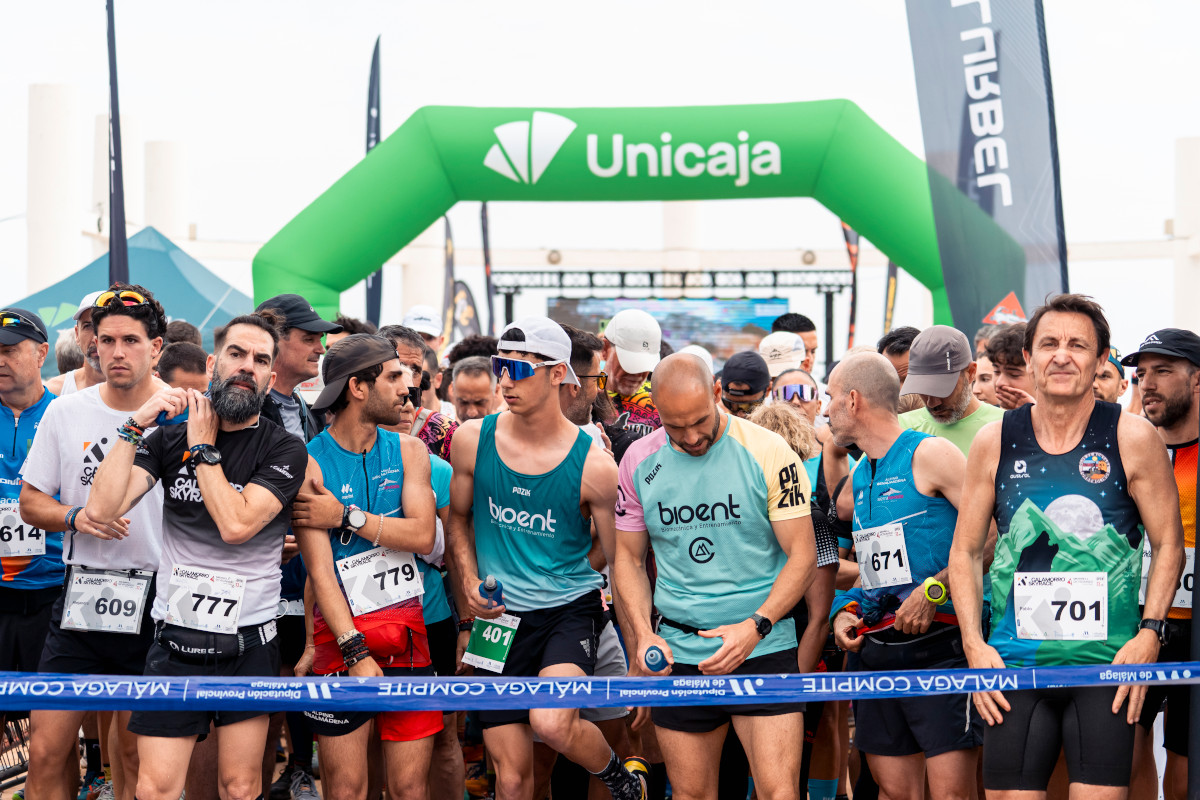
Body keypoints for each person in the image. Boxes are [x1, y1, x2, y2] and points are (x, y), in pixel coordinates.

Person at [948, 294, 1185, 798]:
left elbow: (1168, 544)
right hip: (1012, 665)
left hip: (1106, 669)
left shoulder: (1132, 436)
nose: (1062, 355)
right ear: (1028, 358)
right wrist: (973, 644)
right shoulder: (994, 441)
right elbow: (966, 551)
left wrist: (1150, 634)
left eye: (1078, 345)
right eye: (1049, 343)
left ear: (1102, 361)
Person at [86, 308, 309, 800]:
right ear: (214, 363)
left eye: (260, 359)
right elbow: (101, 511)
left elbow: (237, 525)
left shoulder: (285, 449)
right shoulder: (167, 437)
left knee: (240, 786)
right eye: (236, 354)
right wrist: (134, 425)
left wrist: (204, 449)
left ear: (272, 377)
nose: (247, 365)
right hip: (174, 644)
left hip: (248, 645)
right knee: (155, 788)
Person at [446, 316, 648, 800]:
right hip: (498, 620)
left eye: (520, 369)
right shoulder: (472, 439)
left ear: (559, 374)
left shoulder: (596, 465)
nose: (505, 381)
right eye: (501, 367)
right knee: (513, 780)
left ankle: (618, 777)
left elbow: (622, 561)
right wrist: (471, 587)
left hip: (567, 612)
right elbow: (456, 522)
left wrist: (639, 641)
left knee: (554, 725)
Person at [612, 353, 817, 800]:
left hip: (762, 645)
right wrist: (643, 636)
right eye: (674, 426)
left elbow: (802, 556)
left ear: (717, 393)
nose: (690, 437)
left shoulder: (767, 449)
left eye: (700, 421)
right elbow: (626, 560)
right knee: (691, 795)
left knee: (779, 793)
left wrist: (756, 626)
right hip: (680, 652)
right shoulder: (639, 460)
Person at [20, 284, 168, 800]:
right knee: (45, 749)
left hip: (156, 600)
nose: (116, 352)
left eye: (130, 340)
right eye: (106, 340)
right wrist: (77, 517)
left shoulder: (184, 413)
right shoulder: (66, 410)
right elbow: (31, 503)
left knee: (132, 755)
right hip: (81, 594)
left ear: (157, 347)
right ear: (92, 344)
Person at [290, 334, 442, 800]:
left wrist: (346, 517)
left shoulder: (410, 450)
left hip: (408, 635)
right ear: (358, 387)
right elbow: (321, 573)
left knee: (409, 789)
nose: (408, 387)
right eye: (395, 376)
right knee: (347, 789)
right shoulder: (309, 460)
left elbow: (422, 535)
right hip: (341, 639)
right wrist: (353, 652)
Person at [825, 352, 980, 800]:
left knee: (951, 794)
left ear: (853, 401)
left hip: (940, 645)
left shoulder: (931, 453)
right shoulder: (860, 473)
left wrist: (934, 590)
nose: (825, 409)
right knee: (895, 791)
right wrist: (844, 612)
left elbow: (989, 536)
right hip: (878, 649)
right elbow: (874, 570)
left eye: (831, 398)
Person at [1121, 329, 1200, 800]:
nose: (1147, 383)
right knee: (1123, 759)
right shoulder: (1127, 448)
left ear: (1197, 380)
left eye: (1163, 371)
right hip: (1137, 627)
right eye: (1142, 373)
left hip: (1194, 631)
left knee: (1188, 772)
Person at [0, 309, 61, 726]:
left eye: (8, 351)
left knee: (49, 733)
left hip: (54, 589)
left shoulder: (67, 415)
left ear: (41, 353)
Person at [899, 326, 1004, 454]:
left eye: (942, 389)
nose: (932, 403)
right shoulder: (900, 429)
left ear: (971, 373)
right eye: (923, 390)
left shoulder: (1004, 427)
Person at [256, 293, 343, 440]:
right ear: (272, 341)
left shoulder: (307, 411)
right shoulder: (244, 412)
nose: (321, 350)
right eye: (309, 339)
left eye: (320, 339)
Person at [378, 325, 458, 463]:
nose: (407, 375)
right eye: (399, 366)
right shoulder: (359, 426)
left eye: (415, 370)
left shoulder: (445, 431)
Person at [602, 308, 663, 436]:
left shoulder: (661, 402)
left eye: (645, 363)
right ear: (605, 348)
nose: (638, 373)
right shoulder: (581, 397)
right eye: (630, 362)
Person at [46, 290, 105, 396]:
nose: (95, 338)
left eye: (104, 326)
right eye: (88, 326)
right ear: (77, 334)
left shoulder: (141, 391)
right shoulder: (54, 392)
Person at [986, 323, 1037, 410]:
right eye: (996, 371)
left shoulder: (1063, 420)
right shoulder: (986, 422)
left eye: (1013, 374)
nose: (999, 383)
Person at [718, 351, 771, 419]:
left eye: (749, 407)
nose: (740, 415)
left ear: (768, 390)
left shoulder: (778, 427)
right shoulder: (716, 426)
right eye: (731, 405)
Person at [452, 355, 502, 421]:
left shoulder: (511, 428)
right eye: (463, 402)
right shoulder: (440, 428)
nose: (471, 413)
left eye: (480, 403)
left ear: (496, 391)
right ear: (452, 389)